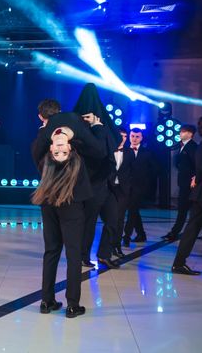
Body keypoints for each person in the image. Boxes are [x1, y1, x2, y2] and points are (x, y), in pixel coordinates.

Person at [32, 126, 95, 318]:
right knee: (73, 255)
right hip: (71, 208)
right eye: (57, 149)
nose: (59, 150)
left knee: (51, 252)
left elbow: (37, 147)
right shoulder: (77, 163)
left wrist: (48, 132)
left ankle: (46, 301)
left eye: (63, 150)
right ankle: (72, 305)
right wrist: (68, 136)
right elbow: (90, 145)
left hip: (48, 205)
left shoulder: (45, 163)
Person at [73, 84, 122, 269]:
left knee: (113, 219)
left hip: (107, 183)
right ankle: (82, 256)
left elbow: (112, 143)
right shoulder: (84, 126)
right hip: (91, 183)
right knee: (89, 222)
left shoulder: (100, 124)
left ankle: (103, 254)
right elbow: (99, 149)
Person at [171, 115, 202, 275]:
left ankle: (178, 264)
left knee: (192, 229)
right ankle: (178, 264)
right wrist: (197, 178)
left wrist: (197, 178)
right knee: (192, 228)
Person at [162, 125, 202, 241]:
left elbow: (198, 165)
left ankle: (174, 232)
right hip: (184, 182)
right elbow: (179, 163)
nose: (180, 134)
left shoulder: (193, 147)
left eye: (183, 132)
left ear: (190, 134)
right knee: (196, 209)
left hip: (190, 184)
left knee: (182, 209)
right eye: (180, 131)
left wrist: (194, 179)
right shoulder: (183, 146)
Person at [123, 128, 156, 246]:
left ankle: (126, 236)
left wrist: (146, 184)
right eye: (132, 136)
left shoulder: (147, 152)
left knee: (132, 210)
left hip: (139, 187)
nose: (134, 139)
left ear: (141, 138)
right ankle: (141, 234)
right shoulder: (123, 150)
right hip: (125, 186)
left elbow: (154, 170)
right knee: (134, 211)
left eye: (137, 136)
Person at [109, 128, 135, 257]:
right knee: (109, 219)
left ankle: (116, 246)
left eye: (125, 136)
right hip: (108, 188)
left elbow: (133, 170)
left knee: (119, 219)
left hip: (123, 189)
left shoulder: (130, 152)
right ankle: (107, 247)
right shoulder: (108, 149)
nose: (123, 138)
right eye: (121, 135)